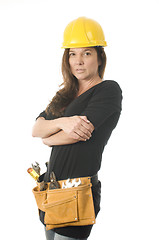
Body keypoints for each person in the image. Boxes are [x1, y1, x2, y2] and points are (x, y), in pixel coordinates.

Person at [32, 17, 122, 240]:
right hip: (52, 191)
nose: (78, 61)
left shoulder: (108, 90)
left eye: (87, 53)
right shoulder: (66, 94)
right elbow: (36, 128)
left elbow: (75, 134)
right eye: (72, 53)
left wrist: (49, 138)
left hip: (78, 193)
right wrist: (62, 122)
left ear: (100, 58)